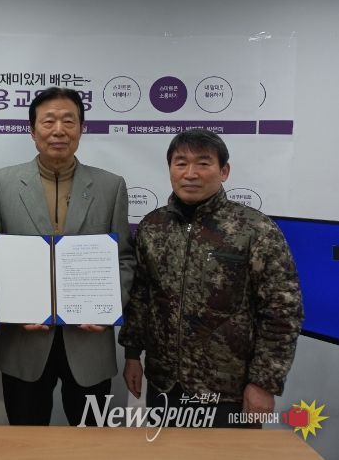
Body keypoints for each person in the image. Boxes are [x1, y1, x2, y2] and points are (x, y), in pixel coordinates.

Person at [118, 128, 303, 427]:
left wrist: (264, 383)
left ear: (224, 171)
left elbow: (282, 312)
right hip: (165, 385)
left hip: (228, 391)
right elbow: (141, 298)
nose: (190, 173)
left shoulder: (255, 230)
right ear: (170, 169)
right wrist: (131, 355)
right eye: (181, 163)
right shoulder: (152, 227)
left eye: (203, 163)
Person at [0, 87, 135, 426]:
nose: (59, 130)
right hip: (24, 342)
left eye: (68, 121)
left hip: (89, 341)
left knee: (91, 440)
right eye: (48, 121)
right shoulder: (1, 184)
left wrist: (108, 308)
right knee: (26, 441)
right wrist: (9, 310)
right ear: (32, 131)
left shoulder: (111, 187)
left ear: (81, 128)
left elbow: (124, 259)